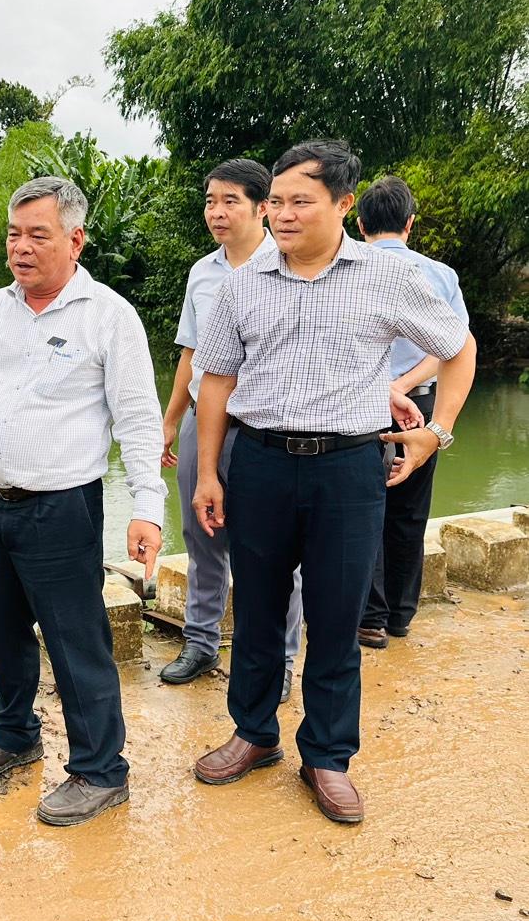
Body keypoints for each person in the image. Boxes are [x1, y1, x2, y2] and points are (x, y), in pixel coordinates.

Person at [190, 140, 475, 824]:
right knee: (257, 608)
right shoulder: (243, 283)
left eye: (300, 201)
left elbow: (459, 347)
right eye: (277, 202)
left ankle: (326, 755)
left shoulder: (385, 277)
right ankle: (254, 732)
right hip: (259, 461)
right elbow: (217, 380)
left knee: (337, 616)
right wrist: (207, 473)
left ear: (344, 204)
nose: (283, 214)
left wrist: (436, 432)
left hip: (348, 469)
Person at [0, 175, 166, 827]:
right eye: (13, 235)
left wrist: (147, 507)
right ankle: (14, 735)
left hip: (62, 508)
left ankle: (101, 770)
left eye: (38, 235)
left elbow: (139, 420)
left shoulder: (108, 316)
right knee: (1, 630)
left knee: (76, 641)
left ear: (75, 241)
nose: (20, 248)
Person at [158, 159, 302, 700]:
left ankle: (280, 660)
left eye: (230, 201)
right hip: (203, 421)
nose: (216, 212)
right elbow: (191, 354)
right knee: (202, 537)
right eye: (210, 201)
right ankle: (200, 642)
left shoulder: (290, 265)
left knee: (275, 550)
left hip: (264, 427)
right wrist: (171, 420)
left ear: (262, 207)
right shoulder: (202, 272)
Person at [354, 176, 468, 649]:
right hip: (421, 405)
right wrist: (403, 385)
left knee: (363, 511)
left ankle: (370, 618)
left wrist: (386, 386)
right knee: (410, 511)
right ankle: (401, 613)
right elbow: (454, 346)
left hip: (357, 406)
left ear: (360, 224)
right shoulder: (440, 274)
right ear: (410, 223)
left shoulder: (349, 269)